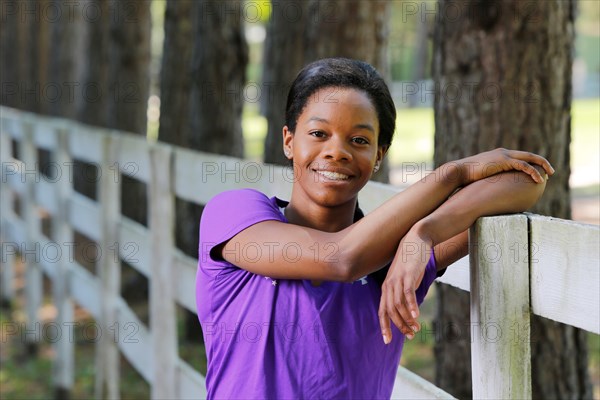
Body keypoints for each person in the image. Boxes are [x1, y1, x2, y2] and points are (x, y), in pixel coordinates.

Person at [196, 58, 554, 399]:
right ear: (289, 141)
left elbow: (525, 180)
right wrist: (453, 173)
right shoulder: (235, 215)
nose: (337, 152)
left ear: (379, 156)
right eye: (319, 133)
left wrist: (423, 233)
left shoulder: (395, 256)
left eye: (360, 140)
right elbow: (340, 257)